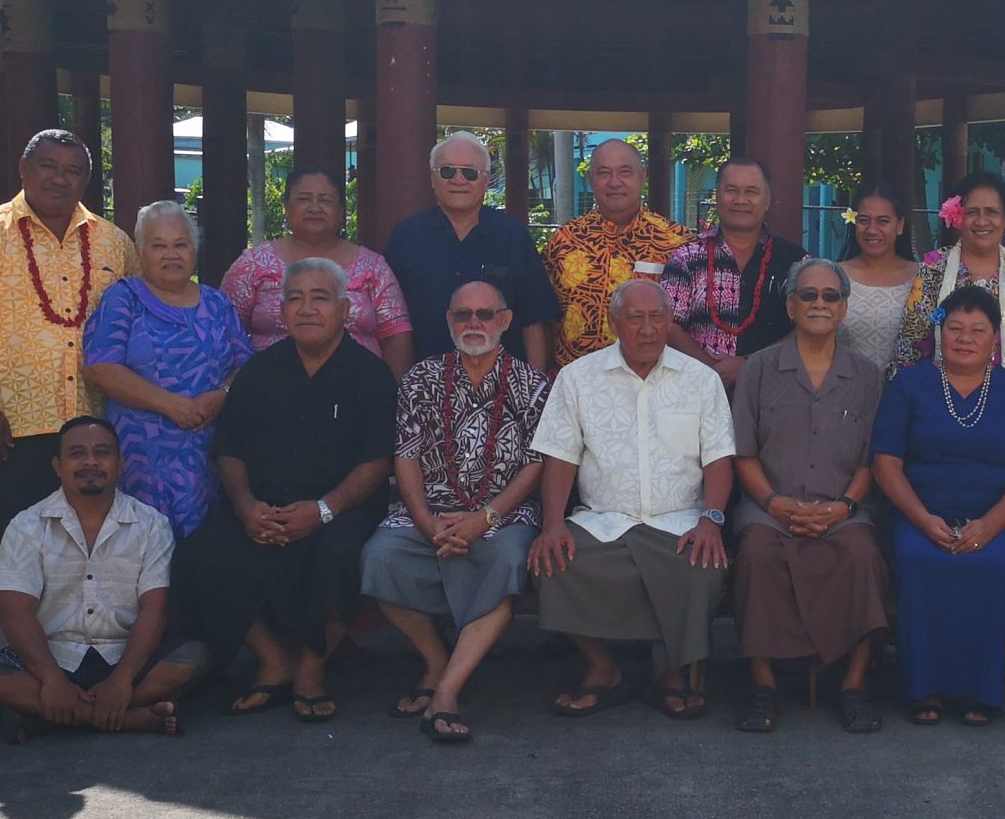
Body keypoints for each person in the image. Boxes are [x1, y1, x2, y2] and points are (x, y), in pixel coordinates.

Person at [178, 258, 398, 722]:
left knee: (341, 555)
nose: (307, 308)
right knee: (202, 552)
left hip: (343, 507)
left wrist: (323, 510)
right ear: (281, 311)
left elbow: (377, 461)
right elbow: (230, 451)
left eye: (320, 297)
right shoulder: (258, 373)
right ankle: (273, 659)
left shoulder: (371, 374)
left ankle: (311, 670)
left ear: (344, 310)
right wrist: (246, 508)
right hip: (265, 506)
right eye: (295, 298)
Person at [529, 277, 736, 718]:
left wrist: (711, 520)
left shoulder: (700, 380)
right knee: (553, 563)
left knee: (701, 566)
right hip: (602, 522)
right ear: (613, 323)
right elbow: (561, 457)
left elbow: (719, 458)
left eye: (657, 317)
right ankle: (604, 668)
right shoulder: (578, 378)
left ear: (670, 321)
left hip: (679, 522)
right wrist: (552, 524)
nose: (647, 329)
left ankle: (670, 672)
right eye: (636, 318)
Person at [0, 127, 137, 600]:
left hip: (93, 422)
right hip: (15, 423)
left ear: (87, 180)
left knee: (84, 551)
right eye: (49, 166)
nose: (60, 179)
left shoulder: (114, 243)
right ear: (24, 169)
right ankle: (12, 658)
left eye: (74, 171)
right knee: (11, 551)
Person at [360, 275, 552, 744]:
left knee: (508, 560)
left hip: (503, 514)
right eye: (462, 314)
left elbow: (537, 464)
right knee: (378, 556)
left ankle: (445, 691)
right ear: (448, 321)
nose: (473, 323)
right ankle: (435, 659)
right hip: (430, 511)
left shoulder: (532, 385)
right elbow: (405, 454)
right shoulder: (422, 378)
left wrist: (484, 518)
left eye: (485, 314)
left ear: (505, 321)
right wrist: (424, 521)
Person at [0, 415, 206, 740]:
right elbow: (14, 610)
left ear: (120, 465)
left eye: (102, 452)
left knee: (193, 656)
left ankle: (51, 717)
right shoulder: (26, 525)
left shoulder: (152, 525)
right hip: (51, 658)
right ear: (58, 466)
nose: (90, 461)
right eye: (77, 453)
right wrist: (51, 678)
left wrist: (122, 679)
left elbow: (156, 608)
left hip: (127, 657)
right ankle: (130, 718)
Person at [873, 284, 1005, 725]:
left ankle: (981, 692)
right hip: (920, 514)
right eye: (955, 328)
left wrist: (989, 526)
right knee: (918, 560)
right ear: (939, 334)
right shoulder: (909, 385)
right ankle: (922, 689)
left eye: (977, 330)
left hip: (996, 518)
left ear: (995, 339)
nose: (965, 338)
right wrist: (922, 519)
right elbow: (886, 463)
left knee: (991, 564)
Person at [729, 258, 889, 735]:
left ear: (843, 310)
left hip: (844, 510)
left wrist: (844, 507)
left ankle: (855, 686)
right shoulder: (758, 370)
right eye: (809, 295)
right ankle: (762, 685)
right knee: (756, 553)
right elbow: (744, 454)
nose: (820, 304)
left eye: (830, 297)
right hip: (769, 507)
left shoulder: (867, 376)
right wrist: (775, 503)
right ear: (792, 306)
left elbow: (870, 462)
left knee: (862, 554)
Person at [81, 201, 252, 538]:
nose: (170, 254)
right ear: (140, 250)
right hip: (142, 457)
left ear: (194, 249)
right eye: (159, 245)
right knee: (145, 551)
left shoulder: (217, 303)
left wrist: (223, 394)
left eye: (180, 245)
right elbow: (100, 367)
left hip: (210, 452)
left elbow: (247, 364)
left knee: (204, 553)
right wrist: (170, 405)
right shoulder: (123, 298)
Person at [218, 167, 415, 378]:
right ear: (287, 207)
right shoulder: (252, 264)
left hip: (357, 389)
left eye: (325, 200)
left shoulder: (373, 267)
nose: (314, 207)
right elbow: (223, 330)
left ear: (340, 210)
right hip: (269, 388)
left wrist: (393, 394)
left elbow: (396, 335)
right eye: (304, 199)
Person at [381, 132, 558, 366]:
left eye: (469, 173)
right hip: (425, 387)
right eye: (447, 171)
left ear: (486, 180)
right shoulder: (405, 238)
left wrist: (535, 390)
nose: (458, 180)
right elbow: (392, 325)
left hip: (504, 388)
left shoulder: (513, 237)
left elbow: (533, 320)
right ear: (432, 179)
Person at [890, 171, 1005, 392]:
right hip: (938, 404)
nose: (982, 221)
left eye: (992, 212)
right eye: (972, 212)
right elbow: (911, 349)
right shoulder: (935, 268)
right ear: (957, 216)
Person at [543, 137, 690, 368]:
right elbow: (543, 318)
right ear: (591, 179)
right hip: (577, 384)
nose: (614, 182)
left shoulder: (677, 242)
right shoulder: (564, 241)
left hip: (653, 384)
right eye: (604, 173)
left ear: (643, 176)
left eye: (625, 172)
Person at [663, 154, 795, 391]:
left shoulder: (795, 261)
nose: (740, 200)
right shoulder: (687, 257)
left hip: (773, 391)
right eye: (731, 190)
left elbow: (805, 328)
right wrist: (711, 374)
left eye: (752, 191)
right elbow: (668, 324)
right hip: (695, 389)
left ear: (767, 200)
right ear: (717, 196)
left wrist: (749, 365)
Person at [836, 184, 920, 370]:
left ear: (900, 226)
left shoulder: (923, 279)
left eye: (883, 221)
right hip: (845, 390)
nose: (872, 230)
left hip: (907, 394)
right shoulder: (834, 277)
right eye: (864, 220)